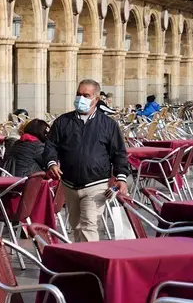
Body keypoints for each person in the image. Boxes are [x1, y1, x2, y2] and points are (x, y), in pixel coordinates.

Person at [43, 79, 129, 242]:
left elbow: (118, 153)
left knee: (89, 225)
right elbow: (50, 145)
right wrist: (52, 162)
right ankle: (81, 260)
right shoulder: (63, 122)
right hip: (69, 184)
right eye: (78, 94)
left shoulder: (108, 125)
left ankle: (92, 263)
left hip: (96, 184)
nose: (80, 98)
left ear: (96, 99)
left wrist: (121, 178)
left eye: (86, 95)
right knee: (76, 226)